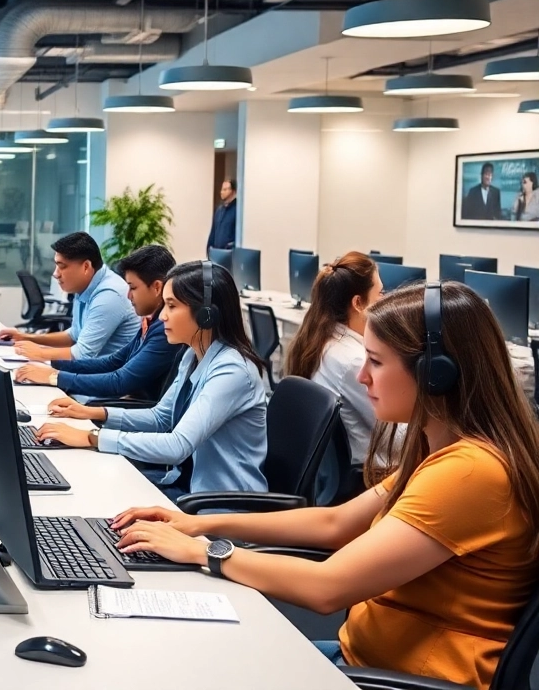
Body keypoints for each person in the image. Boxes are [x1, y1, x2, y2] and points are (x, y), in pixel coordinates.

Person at [112, 282, 539, 690]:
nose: (361, 378)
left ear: (436, 375)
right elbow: (335, 522)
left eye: (375, 361)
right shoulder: (444, 451)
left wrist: (203, 551)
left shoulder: (470, 472)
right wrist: (195, 524)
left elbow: (327, 588)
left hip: (398, 679)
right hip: (363, 660)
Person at [35, 261, 268, 499]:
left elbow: (177, 446)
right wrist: (91, 413)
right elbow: (161, 417)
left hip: (219, 507)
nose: (163, 316)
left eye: (171, 306)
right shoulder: (193, 355)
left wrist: (91, 437)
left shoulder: (233, 371)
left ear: (205, 315)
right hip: (184, 490)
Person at [15, 245, 178, 401]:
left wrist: (53, 376)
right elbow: (113, 362)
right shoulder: (151, 321)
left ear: (157, 288)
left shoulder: (164, 328)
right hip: (124, 403)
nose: (128, 296)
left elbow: (120, 382)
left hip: (131, 411)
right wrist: (51, 364)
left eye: (133, 288)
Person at [283, 252, 383, 483]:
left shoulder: (322, 341)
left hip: (330, 475)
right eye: (380, 294)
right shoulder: (353, 360)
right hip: (367, 475)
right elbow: (395, 439)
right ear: (358, 303)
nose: (384, 301)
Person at [0, 232, 139, 362]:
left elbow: (82, 354)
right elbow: (73, 336)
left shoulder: (109, 296)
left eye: (62, 266)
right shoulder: (85, 286)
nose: (55, 274)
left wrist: (39, 353)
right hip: (90, 374)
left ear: (86, 267)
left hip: (108, 384)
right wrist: (25, 337)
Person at [207, 178, 238, 251]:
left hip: (229, 254)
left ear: (233, 191)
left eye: (225, 189)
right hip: (216, 252)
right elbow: (213, 231)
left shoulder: (237, 210)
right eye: (222, 189)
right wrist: (209, 248)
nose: (222, 192)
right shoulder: (219, 210)